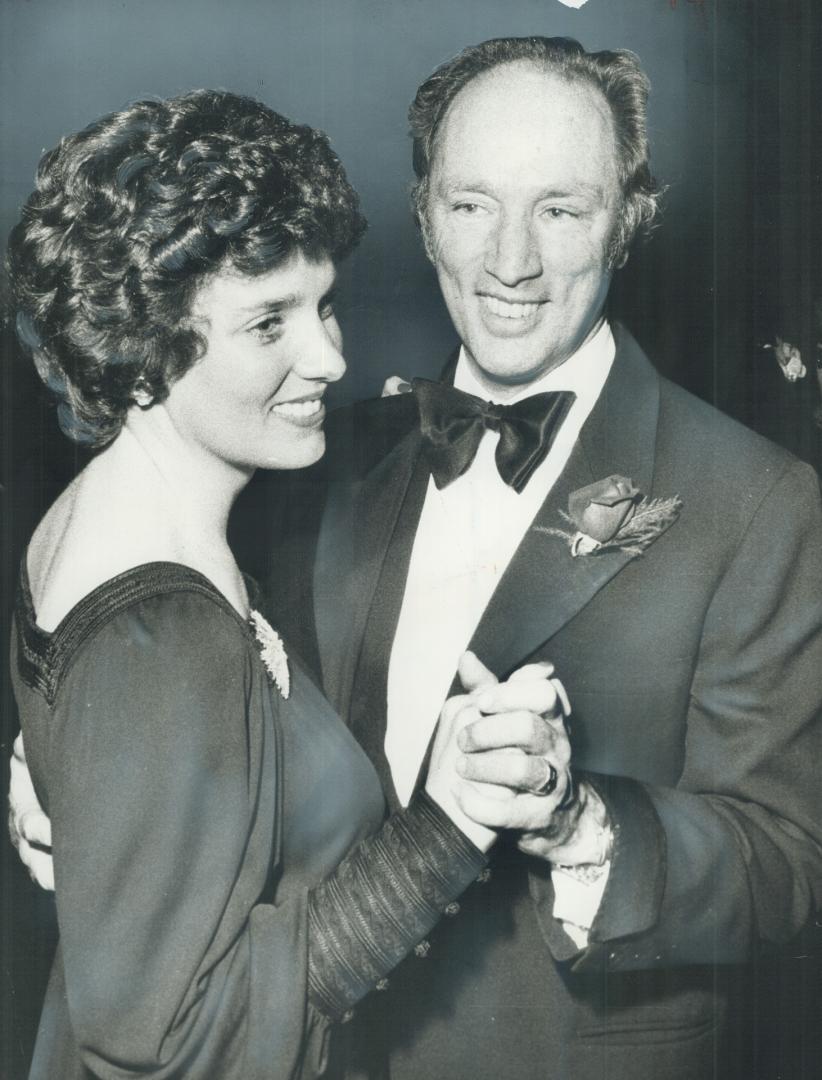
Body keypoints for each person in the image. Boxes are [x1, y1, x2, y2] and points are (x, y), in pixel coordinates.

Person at [12, 36, 822, 1080]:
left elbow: (792, 865)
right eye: (472, 203)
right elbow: (172, 675)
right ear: (423, 212)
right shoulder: (313, 455)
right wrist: (68, 771)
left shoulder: (762, 504)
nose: (510, 260)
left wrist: (581, 822)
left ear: (628, 221)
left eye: (561, 210)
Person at [4, 88, 569, 1079]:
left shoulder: (121, 514)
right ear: (142, 350)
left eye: (326, 303)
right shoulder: (162, 634)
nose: (331, 356)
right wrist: (451, 823)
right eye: (270, 324)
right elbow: (184, 1045)